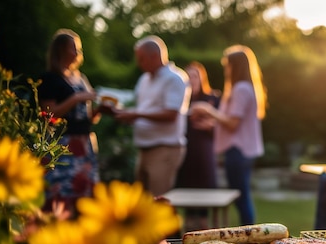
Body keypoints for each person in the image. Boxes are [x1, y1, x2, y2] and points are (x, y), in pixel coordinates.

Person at [191, 45, 266, 225]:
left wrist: (208, 110)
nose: (226, 69)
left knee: (241, 198)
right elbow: (233, 121)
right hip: (243, 150)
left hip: (238, 151)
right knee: (242, 197)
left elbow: (232, 123)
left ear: (235, 66)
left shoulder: (241, 89)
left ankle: (250, 236)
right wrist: (211, 124)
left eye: (227, 65)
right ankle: (250, 235)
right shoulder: (247, 87)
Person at [114, 35, 191, 197]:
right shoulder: (144, 79)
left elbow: (171, 114)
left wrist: (136, 114)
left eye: (141, 59)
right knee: (142, 203)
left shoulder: (175, 78)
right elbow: (143, 109)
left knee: (159, 202)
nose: (139, 63)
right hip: (144, 148)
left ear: (155, 56)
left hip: (165, 149)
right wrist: (126, 114)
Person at [38, 28, 101, 217]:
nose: (77, 53)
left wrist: (101, 110)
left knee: (86, 196)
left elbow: (89, 117)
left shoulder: (81, 78)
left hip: (85, 143)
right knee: (62, 192)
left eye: (79, 49)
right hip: (63, 144)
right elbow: (48, 114)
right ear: (61, 50)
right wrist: (76, 98)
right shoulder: (50, 79)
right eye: (74, 48)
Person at [176, 61, 221, 231]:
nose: (191, 79)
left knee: (203, 203)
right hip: (185, 154)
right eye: (188, 76)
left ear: (202, 78)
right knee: (187, 203)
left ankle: (205, 233)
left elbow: (224, 125)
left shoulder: (212, 99)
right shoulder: (181, 101)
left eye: (195, 76)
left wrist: (211, 127)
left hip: (203, 154)